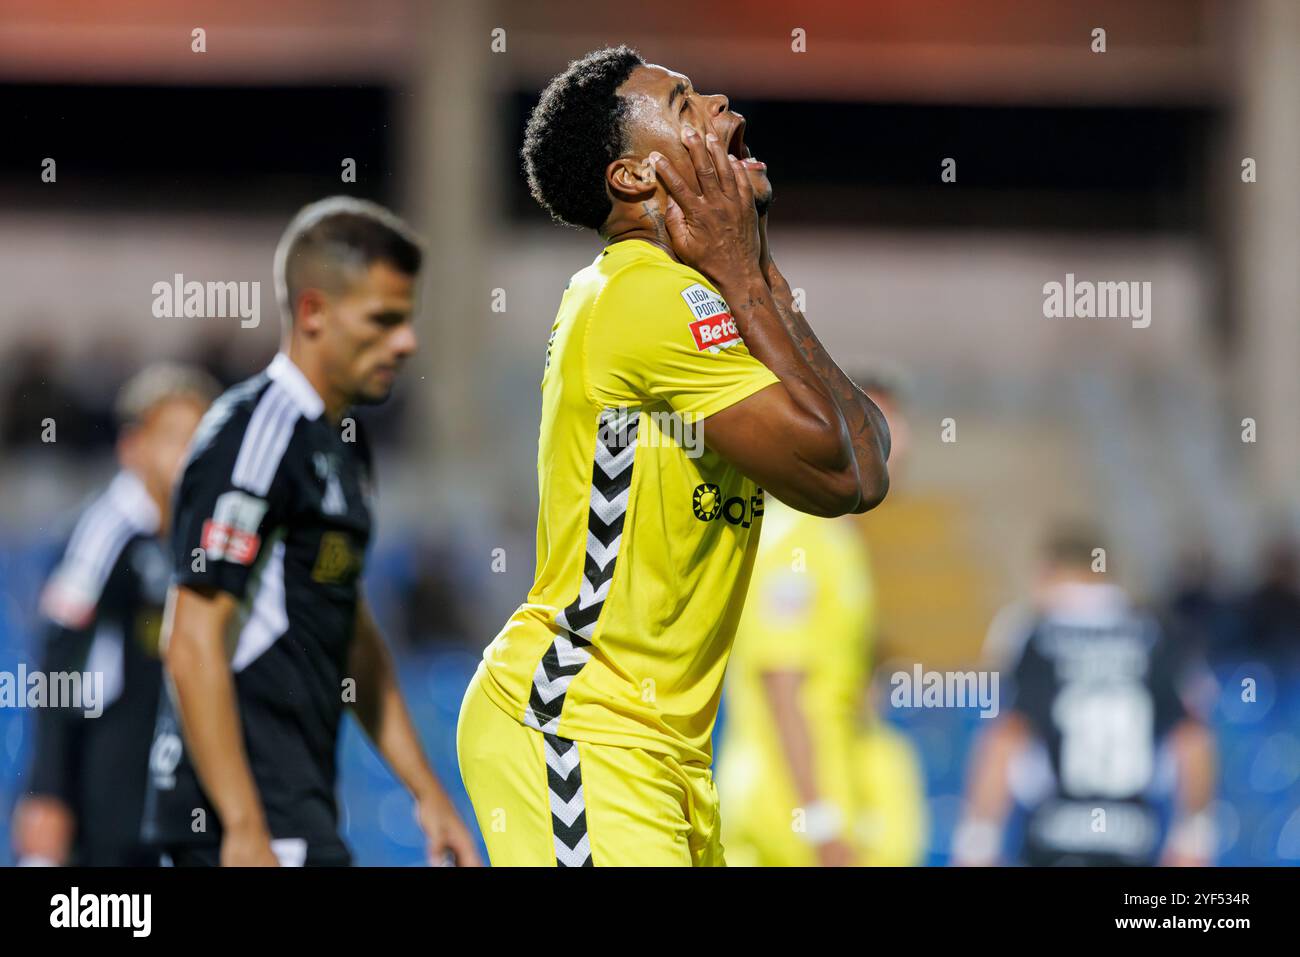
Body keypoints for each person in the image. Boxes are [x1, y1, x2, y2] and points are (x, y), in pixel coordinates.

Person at [457, 47, 890, 866]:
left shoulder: (700, 293)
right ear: (632, 178)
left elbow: (866, 459)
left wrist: (754, 270)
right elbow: (840, 474)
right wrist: (745, 275)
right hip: (579, 723)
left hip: (661, 752)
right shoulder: (649, 294)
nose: (722, 101)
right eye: (685, 104)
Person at [142, 197, 480, 867]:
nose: (406, 341)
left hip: (297, 810)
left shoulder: (343, 447)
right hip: (238, 822)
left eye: (407, 320)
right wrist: (242, 827)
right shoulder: (253, 435)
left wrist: (427, 794)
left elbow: (349, 629)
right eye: (383, 320)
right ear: (314, 313)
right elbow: (191, 639)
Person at [13, 363, 218, 865]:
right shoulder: (107, 531)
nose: (191, 452)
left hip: (182, 768)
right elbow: (60, 656)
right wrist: (48, 790)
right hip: (110, 768)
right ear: (133, 447)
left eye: (203, 436)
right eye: (174, 436)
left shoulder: (209, 535)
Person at [720, 373, 926, 867]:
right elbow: (781, 681)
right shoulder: (800, 539)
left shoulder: (836, 542)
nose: (902, 444)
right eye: (877, 425)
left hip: (809, 811)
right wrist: (819, 822)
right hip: (783, 815)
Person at [954, 527, 1217, 866]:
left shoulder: (1034, 631)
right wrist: (1193, 838)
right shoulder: (1158, 632)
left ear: (1048, 571)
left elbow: (1007, 738)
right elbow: (1193, 739)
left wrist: (977, 844)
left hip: (1052, 839)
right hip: (1135, 839)